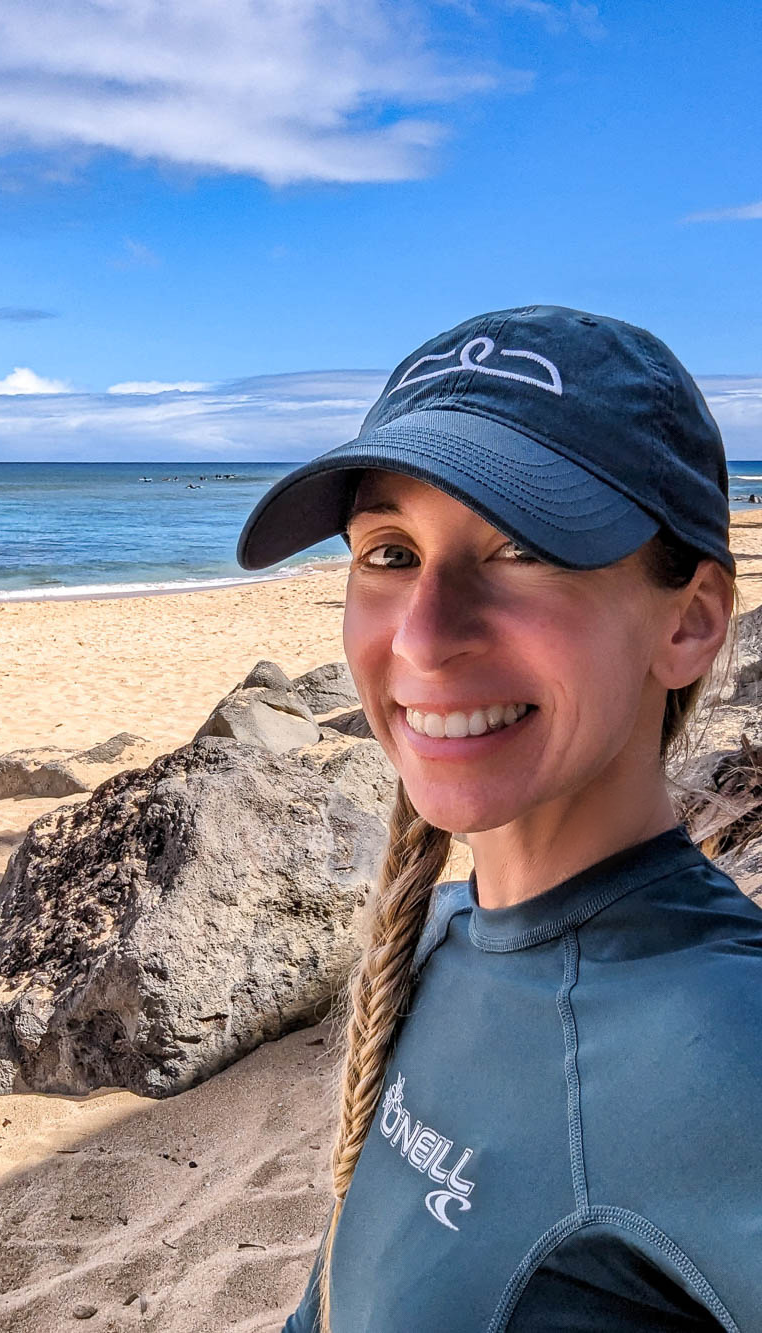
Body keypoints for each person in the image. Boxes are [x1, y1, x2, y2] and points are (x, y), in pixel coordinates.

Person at [236, 306, 761, 1331]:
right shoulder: (437, 936)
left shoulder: (722, 1052)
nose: (425, 638)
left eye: (520, 548)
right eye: (388, 553)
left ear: (690, 620)